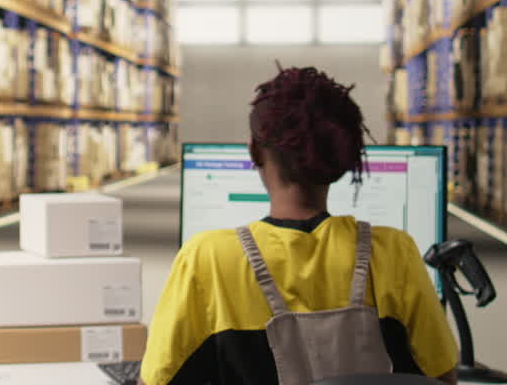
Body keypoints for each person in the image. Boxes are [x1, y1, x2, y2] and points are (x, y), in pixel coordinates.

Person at [140, 67, 459, 385]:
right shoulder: (395, 252)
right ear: (344, 157)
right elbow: (442, 378)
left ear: (254, 151)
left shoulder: (206, 258)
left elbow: (158, 381)